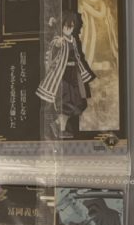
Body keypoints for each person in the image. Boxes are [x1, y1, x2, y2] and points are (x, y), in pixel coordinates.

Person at [36, 10, 95, 139]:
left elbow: (77, 57)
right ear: (61, 26)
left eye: (71, 26)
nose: (69, 29)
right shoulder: (59, 40)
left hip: (74, 74)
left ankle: (56, 124)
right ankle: (61, 129)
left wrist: (83, 72)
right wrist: (57, 43)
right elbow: (53, 49)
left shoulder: (73, 40)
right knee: (65, 103)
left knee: (78, 103)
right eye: (66, 26)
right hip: (62, 76)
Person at [78, 0, 119, 131]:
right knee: (88, 123)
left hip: (110, 79)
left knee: (110, 125)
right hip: (87, 79)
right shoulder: (77, 14)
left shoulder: (107, 12)